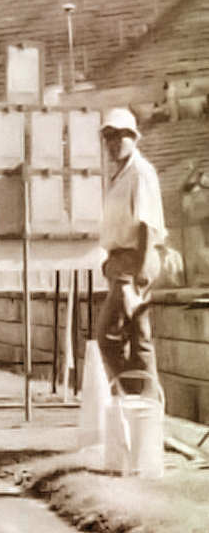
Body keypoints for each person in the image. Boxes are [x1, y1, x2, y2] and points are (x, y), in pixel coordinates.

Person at [97, 108, 166, 395]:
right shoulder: (120, 175)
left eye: (120, 136)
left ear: (134, 138)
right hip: (121, 262)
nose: (113, 143)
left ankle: (133, 395)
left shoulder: (140, 172)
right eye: (108, 137)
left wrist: (139, 273)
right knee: (138, 337)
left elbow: (147, 225)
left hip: (135, 260)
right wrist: (109, 262)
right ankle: (143, 401)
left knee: (107, 335)